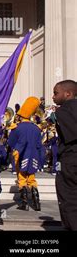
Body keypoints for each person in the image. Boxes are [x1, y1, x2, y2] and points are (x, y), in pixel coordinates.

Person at [8, 97, 43, 211]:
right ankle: (36, 204)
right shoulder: (36, 128)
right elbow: (39, 145)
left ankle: (24, 204)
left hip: (21, 154)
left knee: (22, 178)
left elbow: (11, 142)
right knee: (32, 179)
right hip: (34, 155)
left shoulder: (17, 128)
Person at [52, 79, 77, 230]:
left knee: (69, 199)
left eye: (56, 93)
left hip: (70, 160)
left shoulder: (63, 111)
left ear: (68, 94)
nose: (53, 97)